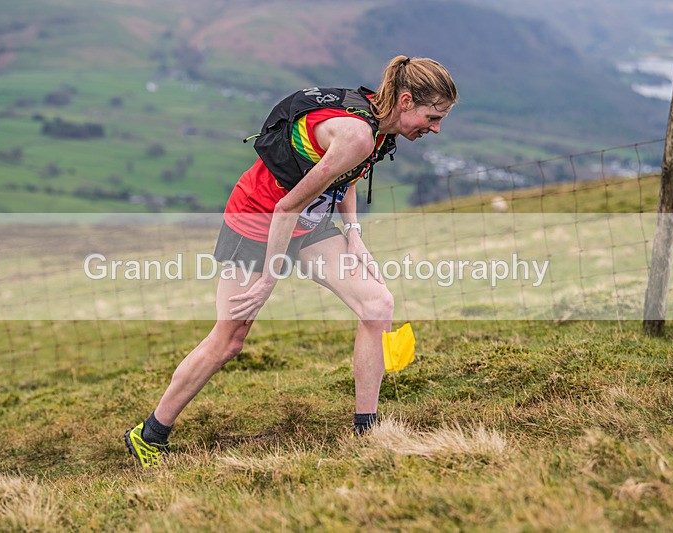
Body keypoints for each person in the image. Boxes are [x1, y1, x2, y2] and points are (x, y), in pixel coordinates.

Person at [125, 55, 458, 467]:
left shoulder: (376, 120)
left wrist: (353, 235)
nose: (436, 128)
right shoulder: (358, 133)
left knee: (377, 304)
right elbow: (284, 207)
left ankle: (367, 432)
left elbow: (344, 176)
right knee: (229, 340)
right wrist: (269, 277)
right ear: (406, 101)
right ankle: (149, 434)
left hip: (307, 220)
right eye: (433, 116)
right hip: (259, 221)